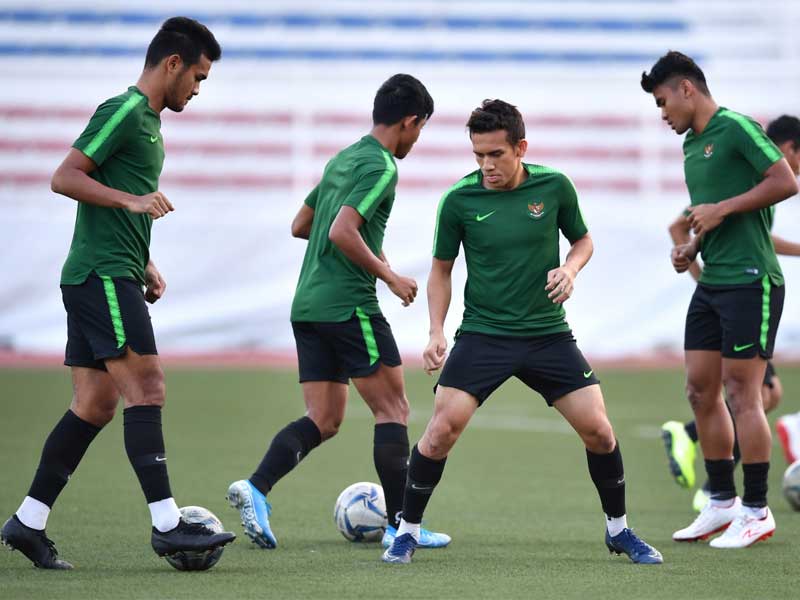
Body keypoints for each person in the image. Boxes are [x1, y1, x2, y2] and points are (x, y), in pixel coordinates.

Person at [381, 99, 662, 565]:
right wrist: (435, 331)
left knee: (599, 431)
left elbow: (583, 240)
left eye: (496, 154)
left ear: (521, 147)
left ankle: (619, 530)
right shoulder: (459, 200)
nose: (486, 165)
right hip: (484, 335)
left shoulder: (554, 187)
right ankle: (406, 532)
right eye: (478, 155)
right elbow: (441, 270)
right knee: (440, 432)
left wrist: (571, 268)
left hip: (547, 334)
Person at [0, 18, 235, 570]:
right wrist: (130, 204)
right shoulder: (125, 112)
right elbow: (65, 176)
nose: (198, 90)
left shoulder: (149, 124)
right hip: (101, 277)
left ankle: (27, 522)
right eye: (198, 77)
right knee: (147, 388)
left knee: (94, 404)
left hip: (109, 272)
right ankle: (167, 526)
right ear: (173, 63)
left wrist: (145, 260)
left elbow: (116, 198)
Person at [226, 74, 450, 551]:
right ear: (410, 121)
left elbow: (302, 224)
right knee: (393, 408)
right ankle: (400, 525)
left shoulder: (342, 158)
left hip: (307, 306)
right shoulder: (382, 167)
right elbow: (341, 231)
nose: (416, 139)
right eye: (420, 129)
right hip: (349, 306)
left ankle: (257, 488)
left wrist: (361, 247)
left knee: (324, 418)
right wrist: (388, 276)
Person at [641, 51, 798, 548]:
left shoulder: (736, 127)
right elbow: (708, 219)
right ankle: (721, 503)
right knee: (698, 390)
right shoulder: (693, 146)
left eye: (664, 102)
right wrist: (691, 247)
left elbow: (785, 181)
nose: (662, 114)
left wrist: (722, 209)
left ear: (687, 88)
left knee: (743, 394)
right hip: (714, 283)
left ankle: (756, 510)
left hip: (753, 279)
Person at [661, 113, 800, 510]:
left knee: (754, 393)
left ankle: (723, 494)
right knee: (748, 394)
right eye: (797, 158)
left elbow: (746, 230)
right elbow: (685, 223)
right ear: (786, 148)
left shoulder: (746, 178)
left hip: (736, 286)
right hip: (736, 286)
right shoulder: (751, 168)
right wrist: (699, 268)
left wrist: (696, 249)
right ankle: (729, 495)